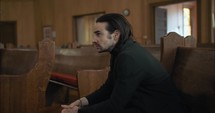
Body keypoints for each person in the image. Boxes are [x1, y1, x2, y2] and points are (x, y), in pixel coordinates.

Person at [61, 13, 189, 113]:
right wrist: (81, 102)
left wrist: (79, 111)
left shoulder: (128, 57)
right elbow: (109, 88)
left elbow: (115, 106)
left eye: (98, 34)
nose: (93, 40)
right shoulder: (119, 52)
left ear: (116, 35)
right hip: (144, 104)